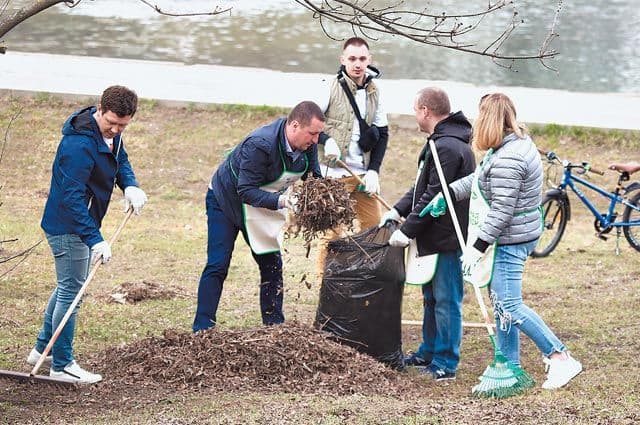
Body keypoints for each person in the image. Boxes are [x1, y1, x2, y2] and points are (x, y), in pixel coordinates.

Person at [443, 92, 582, 389]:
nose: (475, 122)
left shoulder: (509, 158)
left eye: (479, 116)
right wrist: (449, 193)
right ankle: (510, 364)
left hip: (511, 238)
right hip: (517, 233)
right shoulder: (509, 145)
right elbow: (481, 179)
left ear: (489, 120)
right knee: (501, 302)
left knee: (510, 304)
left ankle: (560, 357)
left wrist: (476, 248)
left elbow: (502, 210)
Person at [28, 85, 147, 384]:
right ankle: (63, 365)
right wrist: (95, 239)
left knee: (68, 285)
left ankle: (44, 349)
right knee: (73, 292)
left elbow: (120, 160)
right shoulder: (78, 146)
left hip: (80, 223)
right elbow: (71, 198)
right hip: (68, 225)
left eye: (123, 125)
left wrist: (130, 186)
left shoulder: (109, 136)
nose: (116, 130)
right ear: (100, 109)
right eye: (112, 123)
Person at [192, 101, 325, 332]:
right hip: (226, 200)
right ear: (294, 125)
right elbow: (245, 190)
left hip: (263, 203)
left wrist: (322, 198)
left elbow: (314, 179)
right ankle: (202, 329)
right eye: (312, 134)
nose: (315, 141)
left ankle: (274, 326)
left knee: (272, 264)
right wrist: (283, 201)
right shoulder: (260, 144)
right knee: (218, 263)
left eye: (318, 135)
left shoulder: (307, 144)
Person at [380, 87, 475, 381]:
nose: (415, 115)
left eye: (415, 109)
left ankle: (446, 362)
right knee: (431, 297)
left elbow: (436, 195)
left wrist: (407, 231)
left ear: (425, 111)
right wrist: (397, 210)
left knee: (447, 299)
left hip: (446, 237)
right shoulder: (439, 143)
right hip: (431, 237)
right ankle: (429, 350)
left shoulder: (447, 147)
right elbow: (421, 186)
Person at [315, 37, 389, 279]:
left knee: (374, 229)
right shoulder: (328, 87)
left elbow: (383, 132)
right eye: (352, 59)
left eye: (362, 59)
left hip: (362, 176)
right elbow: (307, 124)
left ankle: (365, 280)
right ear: (342, 60)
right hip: (334, 175)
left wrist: (374, 171)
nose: (358, 64)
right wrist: (327, 141)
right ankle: (324, 282)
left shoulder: (375, 91)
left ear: (370, 60)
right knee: (332, 233)